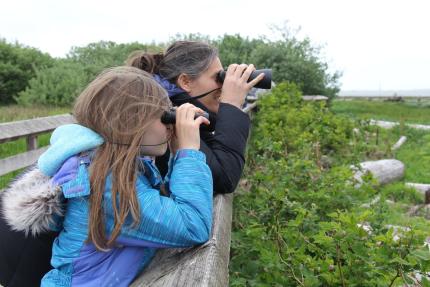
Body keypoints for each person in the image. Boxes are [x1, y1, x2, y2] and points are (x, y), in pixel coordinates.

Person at [1, 66, 213, 287]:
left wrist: (178, 153)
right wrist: (189, 153)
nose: (171, 125)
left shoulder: (108, 168)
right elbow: (192, 225)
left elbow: (166, 209)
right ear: (132, 124)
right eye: (164, 115)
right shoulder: (105, 184)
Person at [126, 40, 264, 194]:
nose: (224, 85)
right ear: (185, 82)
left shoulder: (182, 108)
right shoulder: (168, 115)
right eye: (218, 78)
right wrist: (231, 105)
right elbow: (225, 178)